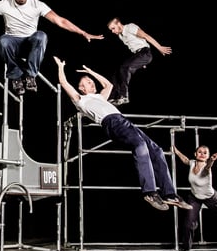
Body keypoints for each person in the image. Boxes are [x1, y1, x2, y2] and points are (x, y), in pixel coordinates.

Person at [53, 56, 191, 211]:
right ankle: (150, 192)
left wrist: (90, 71)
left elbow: (108, 85)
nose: (92, 84)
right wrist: (60, 67)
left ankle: (169, 194)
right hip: (112, 123)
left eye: (92, 82)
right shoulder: (80, 100)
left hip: (124, 121)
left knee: (156, 151)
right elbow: (64, 83)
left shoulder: (99, 97)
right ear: (81, 88)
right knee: (140, 146)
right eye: (88, 83)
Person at [172, 144, 217, 251]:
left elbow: (208, 167)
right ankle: (186, 247)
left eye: (205, 153)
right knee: (189, 223)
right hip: (194, 197)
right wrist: (176, 151)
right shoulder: (192, 163)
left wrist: (212, 160)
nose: (202, 154)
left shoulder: (207, 168)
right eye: (200, 152)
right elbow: (185, 160)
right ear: (195, 154)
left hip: (210, 197)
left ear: (208, 156)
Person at [105, 17, 173, 106]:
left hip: (145, 53)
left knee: (124, 68)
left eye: (113, 28)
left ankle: (124, 96)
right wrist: (139, 63)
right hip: (138, 55)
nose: (113, 32)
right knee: (117, 73)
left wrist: (159, 47)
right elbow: (133, 48)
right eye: (111, 30)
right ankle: (113, 97)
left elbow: (146, 36)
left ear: (118, 24)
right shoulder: (121, 36)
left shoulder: (130, 27)